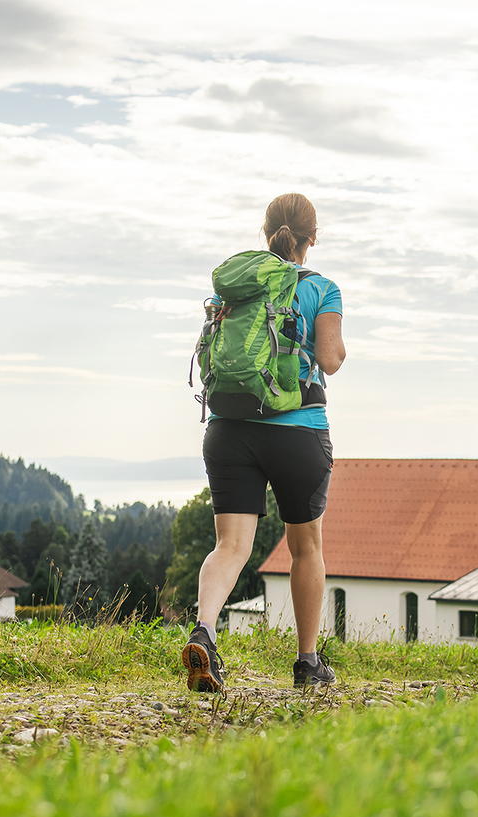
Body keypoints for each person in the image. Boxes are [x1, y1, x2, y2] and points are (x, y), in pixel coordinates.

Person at [183, 193, 345, 692]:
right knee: (305, 546)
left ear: (266, 230)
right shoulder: (323, 289)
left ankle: (205, 632)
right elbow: (331, 359)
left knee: (230, 546)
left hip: (229, 429)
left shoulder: (239, 287)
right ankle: (307, 662)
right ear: (312, 238)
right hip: (297, 432)